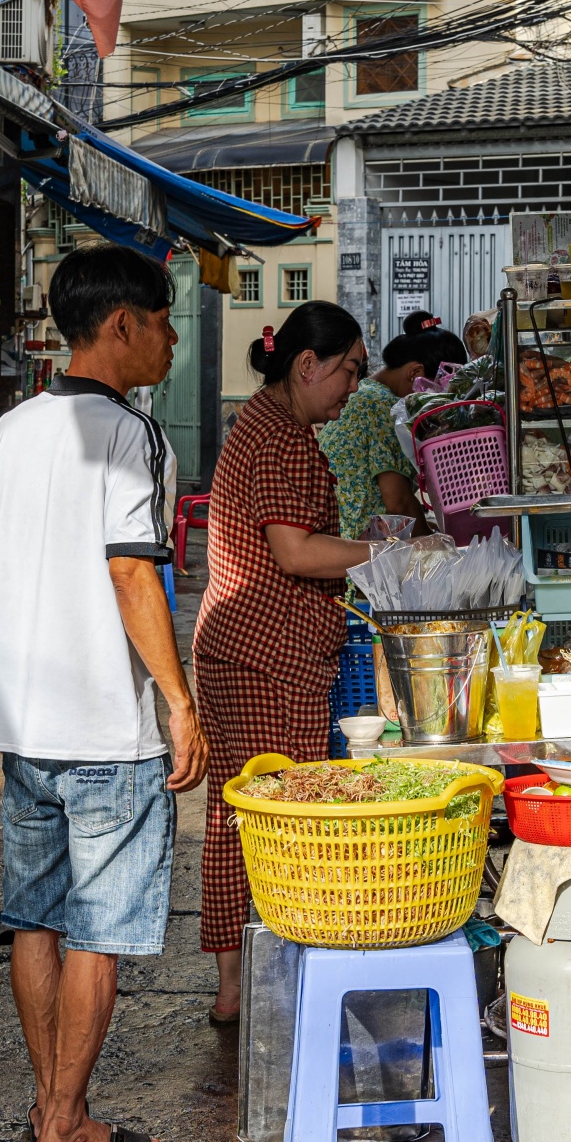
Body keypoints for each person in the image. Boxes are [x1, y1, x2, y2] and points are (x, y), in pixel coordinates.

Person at [0, 245, 208, 1142]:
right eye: (162, 321)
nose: (170, 341)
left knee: (37, 921)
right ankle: (66, 1130)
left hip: (21, 720)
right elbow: (130, 571)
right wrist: (179, 707)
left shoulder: (9, 429)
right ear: (122, 324)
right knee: (99, 934)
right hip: (106, 728)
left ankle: (51, 1103)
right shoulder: (131, 435)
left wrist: (1, 695)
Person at [191, 302, 374, 1024]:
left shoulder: (262, 424)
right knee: (276, 819)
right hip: (271, 652)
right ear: (308, 365)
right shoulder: (284, 439)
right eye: (349, 371)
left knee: (239, 814)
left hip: (241, 645)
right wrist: (392, 553)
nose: (353, 387)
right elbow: (295, 552)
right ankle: (262, 987)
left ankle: (238, 988)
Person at [320, 331, 437, 540]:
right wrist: (434, 541)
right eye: (436, 393)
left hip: (340, 536)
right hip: (355, 550)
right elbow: (398, 501)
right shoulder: (386, 407)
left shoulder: (366, 393)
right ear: (415, 372)